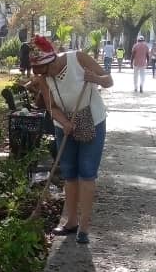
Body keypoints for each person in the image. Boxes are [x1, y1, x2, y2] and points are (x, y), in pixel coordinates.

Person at [29, 35, 113, 244]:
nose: (44, 77)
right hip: (64, 125)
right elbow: (51, 106)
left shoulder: (78, 59)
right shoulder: (44, 77)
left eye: (45, 71)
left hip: (92, 120)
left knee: (87, 172)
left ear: (53, 61)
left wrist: (96, 79)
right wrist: (64, 122)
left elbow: (108, 80)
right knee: (69, 173)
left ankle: (84, 227)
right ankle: (71, 221)